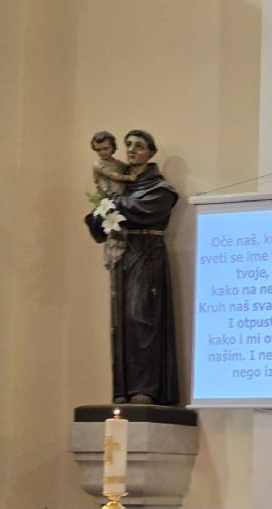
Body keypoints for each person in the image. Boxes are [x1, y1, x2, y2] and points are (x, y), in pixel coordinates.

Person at [85, 129, 180, 406]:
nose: (131, 150)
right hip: (123, 256)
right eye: (128, 145)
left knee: (142, 317)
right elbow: (98, 223)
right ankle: (123, 389)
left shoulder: (160, 189)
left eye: (138, 146)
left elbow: (144, 210)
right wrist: (105, 208)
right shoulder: (118, 186)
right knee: (121, 322)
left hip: (147, 255)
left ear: (151, 152)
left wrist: (112, 205)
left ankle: (145, 388)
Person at [90, 131, 133, 271]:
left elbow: (126, 168)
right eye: (98, 150)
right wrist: (130, 177)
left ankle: (121, 257)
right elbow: (113, 175)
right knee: (113, 232)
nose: (102, 152)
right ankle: (112, 259)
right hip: (109, 200)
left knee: (122, 231)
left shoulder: (118, 164)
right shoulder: (99, 164)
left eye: (106, 148)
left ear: (113, 147)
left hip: (121, 200)